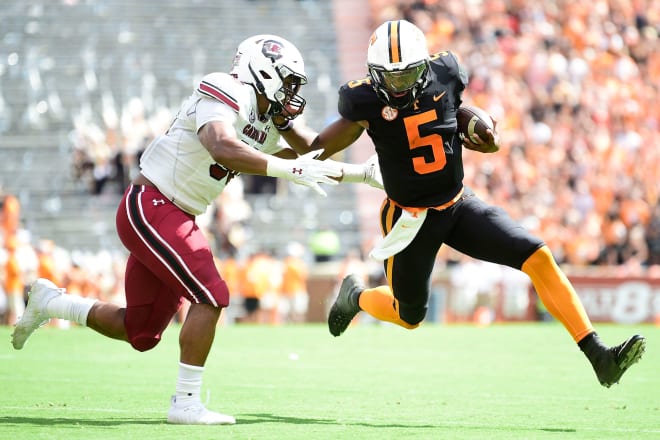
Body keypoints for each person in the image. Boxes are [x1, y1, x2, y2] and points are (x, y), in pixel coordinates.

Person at [11, 34, 380, 425]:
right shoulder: (226, 87)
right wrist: (287, 167)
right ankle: (185, 403)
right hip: (152, 204)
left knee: (142, 332)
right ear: (264, 71)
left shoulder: (267, 120)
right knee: (212, 294)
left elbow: (313, 154)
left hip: (177, 215)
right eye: (287, 82)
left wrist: (364, 167)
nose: (291, 94)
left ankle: (51, 303)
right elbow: (220, 145)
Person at [310, 20, 646, 388]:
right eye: (389, 79)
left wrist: (482, 132)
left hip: (457, 203)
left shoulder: (447, 72)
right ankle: (355, 297)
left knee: (538, 256)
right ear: (373, 76)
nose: (398, 87)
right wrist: (285, 158)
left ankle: (599, 356)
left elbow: (457, 111)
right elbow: (319, 147)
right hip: (409, 217)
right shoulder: (363, 101)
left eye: (407, 77)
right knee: (407, 317)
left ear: (423, 68)